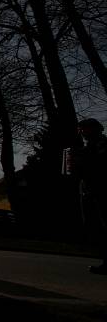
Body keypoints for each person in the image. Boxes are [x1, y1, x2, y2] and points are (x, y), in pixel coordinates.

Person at [73, 118, 107, 275]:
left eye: (83, 129)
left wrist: (83, 160)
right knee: (97, 227)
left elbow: (99, 166)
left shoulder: (102, 145)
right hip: (90, 191)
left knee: (103, 226)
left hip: (101, 191)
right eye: (80, 130)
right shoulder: (89, 147)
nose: (81, 133)